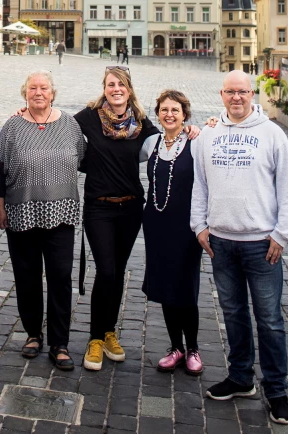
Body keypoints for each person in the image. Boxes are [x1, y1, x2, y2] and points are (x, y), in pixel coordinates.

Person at [191, 71, 288, 425]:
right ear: (221, 94)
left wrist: (282, 234)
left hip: (261, 244)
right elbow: (200, 185)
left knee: (269, 320)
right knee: (233, 314)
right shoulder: (209, 135)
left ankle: (277, 390)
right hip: (221, 242)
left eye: (243, 92)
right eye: (230, 92)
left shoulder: (271, 134)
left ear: (252, 94)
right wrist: (199, 226)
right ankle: (240, 377)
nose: (236, 97)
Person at [75, 70, 202, 371]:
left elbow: (169, 140)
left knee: (117, 272)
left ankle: (109, 333)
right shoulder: (89, 118)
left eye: (121, 84)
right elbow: (57, 126)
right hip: (99, 207)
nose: (116, 89)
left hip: (131, 208)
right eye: (110, 84)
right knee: (105, 270)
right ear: (104, 89)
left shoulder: (143, 124)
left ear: (129, 90)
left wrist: (194, 129)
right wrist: (26, 112)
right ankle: (94, 337)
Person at [0, 70, 86, 370]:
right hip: (22, 212)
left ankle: (60, 342)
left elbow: (83, 157)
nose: (38, 93)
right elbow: (1, 169)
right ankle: (33, 333)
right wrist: (0, 206)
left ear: (52, 93)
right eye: (32, 88)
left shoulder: (70, 124)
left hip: (61, 214)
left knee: (60, 278)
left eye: (43, 88)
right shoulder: (12, 127)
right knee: (27, 277)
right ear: (24, 93)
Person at [141, 90, 204, 376]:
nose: (169, 114)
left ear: (184, 114)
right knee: (166, 286)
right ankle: (175, 347)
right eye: (164, 110)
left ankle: (192, 348)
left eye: (175, 110)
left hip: (186, 226)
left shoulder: (196, 141)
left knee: (185, 287)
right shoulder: (151, 143)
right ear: (158, 114)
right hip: (156, 224)